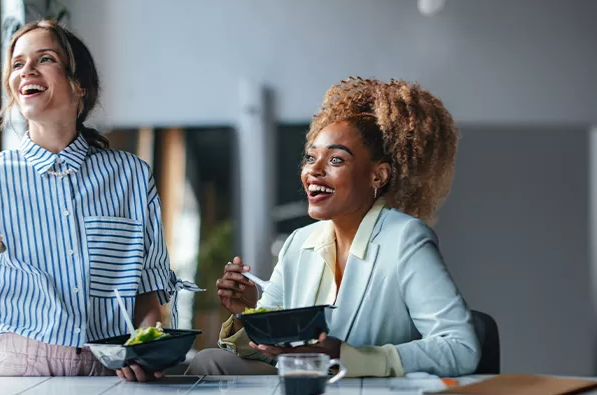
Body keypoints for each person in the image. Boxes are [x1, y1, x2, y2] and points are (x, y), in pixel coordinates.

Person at [0, 19, 198, 381]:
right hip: (18, 367)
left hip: (109, 367)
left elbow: (147, 293)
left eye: (44, 59)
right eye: (18, 63)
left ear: (79, 84)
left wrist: (142, 352)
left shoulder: (130, 176)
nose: (27, 71)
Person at [186, 77, 480, 377]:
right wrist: (247, 313)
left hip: (367, 393)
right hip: (307, 385)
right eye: (311, 158)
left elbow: (461, 347)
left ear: (378, 176)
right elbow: (272, 349)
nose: (313, 170)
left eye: (336, 159)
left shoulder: (405, 239)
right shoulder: (299, 243)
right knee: (209, 362)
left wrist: (350, 357)